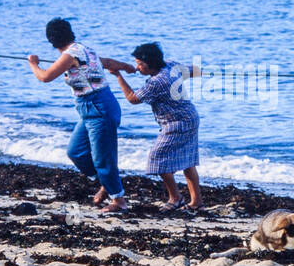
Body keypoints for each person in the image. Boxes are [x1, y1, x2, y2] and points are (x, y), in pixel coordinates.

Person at [28, 18, 131, 214]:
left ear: (51, 40)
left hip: (99, 106)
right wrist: (124, 66)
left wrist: (33, 63)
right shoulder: (83, 49)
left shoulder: (69, 54)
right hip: (88, 109)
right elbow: (106, 62)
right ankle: (106, 184)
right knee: (76, 152)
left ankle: (119, 200)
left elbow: (45, 77)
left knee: (103, 159)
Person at [112, 42, 202, 211]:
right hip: (190, 117)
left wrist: (118, 75)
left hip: (177, 123)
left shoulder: (157, 82)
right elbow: (196, 70)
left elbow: (132, 98)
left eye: (140, 64)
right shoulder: (170, 65)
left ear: (151, 64)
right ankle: (196, 202)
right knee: (188, 161)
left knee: (157, 159)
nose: (138, 68)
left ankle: (176, 198)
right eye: (137, 63)